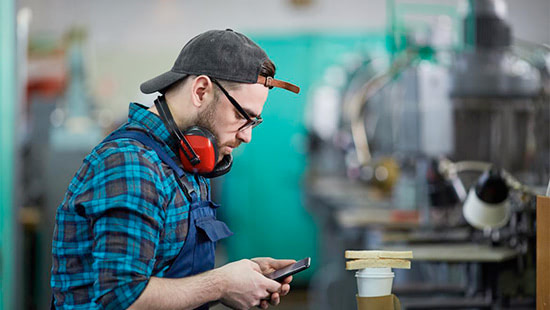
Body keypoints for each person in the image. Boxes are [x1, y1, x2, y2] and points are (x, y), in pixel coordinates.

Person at [50, 29, 301, 310]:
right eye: (243, 117)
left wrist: (240, 279)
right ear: (201, 91)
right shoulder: (132, 164)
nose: (247, 136)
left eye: (254, 122)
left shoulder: (186, 161)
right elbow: (122, 298)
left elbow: (168, 274)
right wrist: (220, 283)